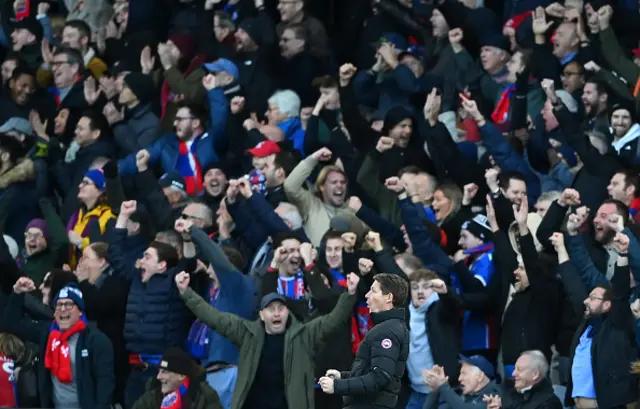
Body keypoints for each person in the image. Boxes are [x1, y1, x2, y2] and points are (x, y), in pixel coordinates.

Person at [174, 269, 361, 409]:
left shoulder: (304, 335)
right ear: (262, 315)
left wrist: (349, 294)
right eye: (271, 309)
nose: (277, 314)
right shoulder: (247, 333)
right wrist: (186, 292)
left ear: (287, 312)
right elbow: (213, 318)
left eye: (281, 309)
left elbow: (333, 321)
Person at [2, 278, 114, 409]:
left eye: (69, 305)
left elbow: (105, 386)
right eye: (59, 305)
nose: (63, 309)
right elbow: (11, 324)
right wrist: (17, 293)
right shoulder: (48, 333)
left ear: (80, 311)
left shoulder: (96, 340)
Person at [318, 273, 409, 409]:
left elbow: (380, 378)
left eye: (373, 290)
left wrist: (337, 386)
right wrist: (342, 377)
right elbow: (371, 372)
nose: (367, 295)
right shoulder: (388, 327)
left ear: (389, 298)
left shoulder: (387, 330)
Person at [132, 347, 223, 409]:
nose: (158, 377)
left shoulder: (204, 395)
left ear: (181, 375)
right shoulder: (152, 395)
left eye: (165, 372)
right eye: (159, 371)